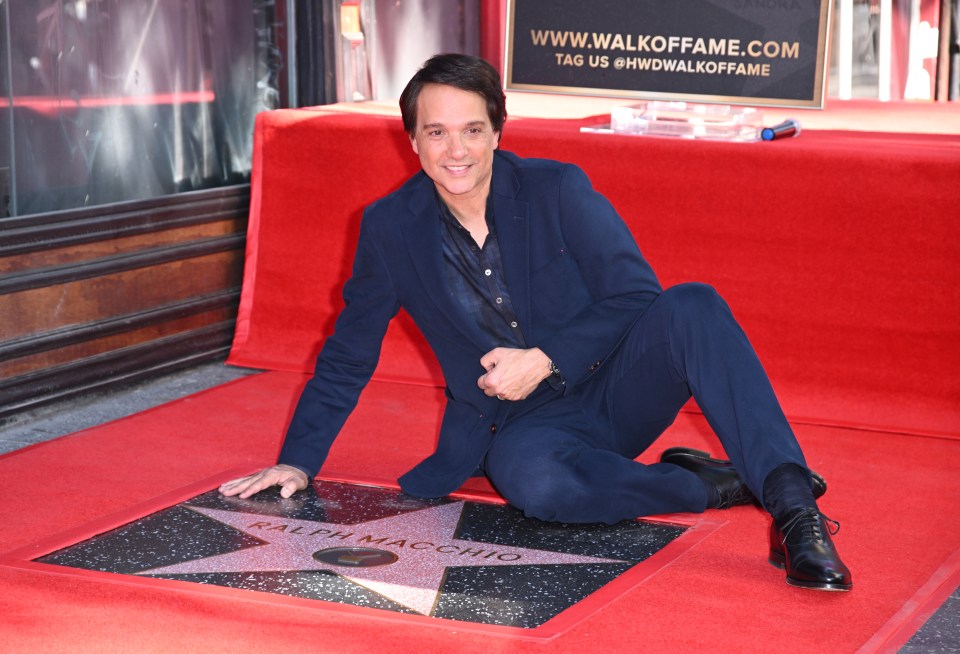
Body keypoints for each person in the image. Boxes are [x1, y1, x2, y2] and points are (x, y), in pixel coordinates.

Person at [220, 53, 851, 592]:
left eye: (472, 130)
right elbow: (350, 353)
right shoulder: (389, 228)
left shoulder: (557, 189)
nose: (456, 150)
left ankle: (795, 513)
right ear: (411, 140)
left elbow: (635, 295)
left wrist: (546, 357)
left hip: (616, 387)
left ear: (498, 130)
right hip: (518, 424)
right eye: (436, 133)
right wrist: (298, 461)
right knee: (539, 489)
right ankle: (704, 485)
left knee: (694, 305)